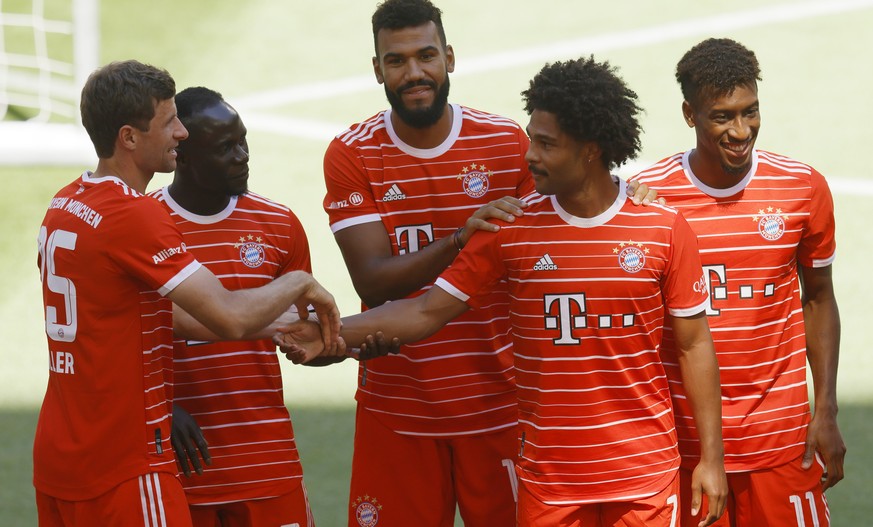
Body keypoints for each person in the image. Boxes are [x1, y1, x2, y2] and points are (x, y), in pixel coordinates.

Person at [295, 56, 727, 527]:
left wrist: (711, 458)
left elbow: (694, 344)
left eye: (545, 144)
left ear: (589, 150)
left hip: (643, 478)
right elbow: (424, 311)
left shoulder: (663, 228)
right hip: (549, 481)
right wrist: (331, 333)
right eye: (530, 139)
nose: (529, 156)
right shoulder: (509, 228)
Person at [34, 60, 341, 527]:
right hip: (126, 464)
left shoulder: (66, 204)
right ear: (129, 138)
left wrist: (292, 328)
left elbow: (142, 314)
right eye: (169, 121)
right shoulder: (134, 215)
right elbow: (229, 317)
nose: (181, 133)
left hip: (61, 457)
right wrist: (299, 283)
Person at [631, 38, 846, 527]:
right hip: (687, 450)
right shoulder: (650, 200)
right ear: (690, 114)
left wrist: (826, 408)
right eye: (722, 116)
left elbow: (820, 298)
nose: (740, 130)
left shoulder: (801, 188)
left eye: (750, 112)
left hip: (783, 442)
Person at [148, 86, 316, 527]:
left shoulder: (279, 225)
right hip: (178, 469)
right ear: (181, 155)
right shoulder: (142, 228)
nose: (242, 155)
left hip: (267, 463)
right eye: (225, 148)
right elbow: (113, 339)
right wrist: (163, 407)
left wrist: (339, 342)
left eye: (243, 141)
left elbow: (301, 333)